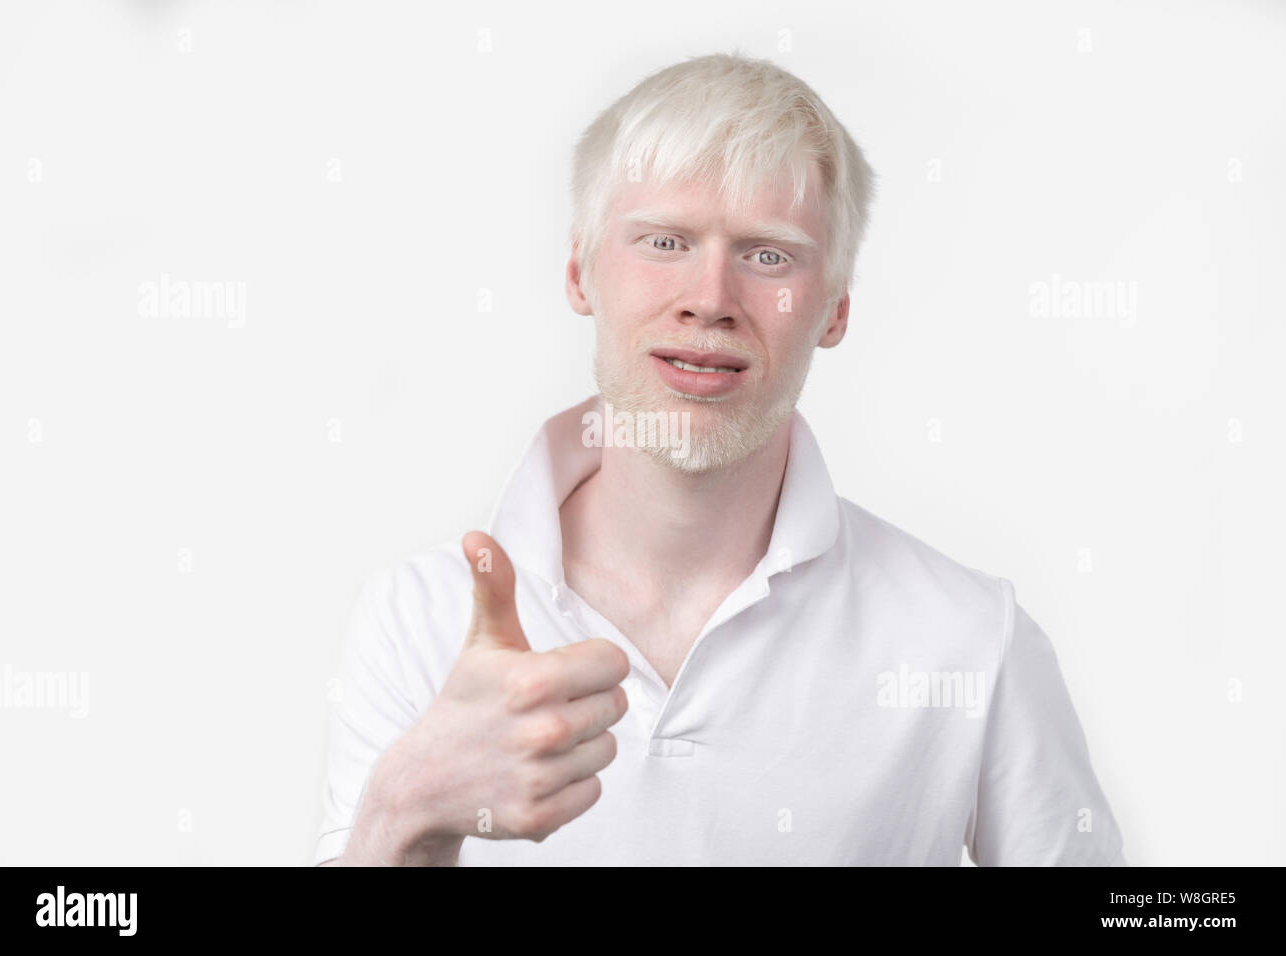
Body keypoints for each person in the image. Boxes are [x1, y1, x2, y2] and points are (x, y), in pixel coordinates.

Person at [314, 51, 1127, 866]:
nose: (709, 297)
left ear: (836, 307)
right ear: (579, 271)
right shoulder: (418, 620)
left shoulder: (967, 637)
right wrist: (403, 809)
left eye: (768, 255)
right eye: (664, 241)